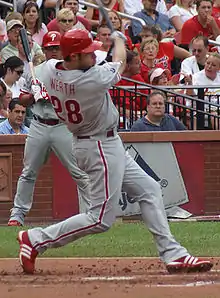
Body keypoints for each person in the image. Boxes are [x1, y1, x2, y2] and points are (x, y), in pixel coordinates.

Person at [17, 28, 213, 275]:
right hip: (97, 145)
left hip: (102, 142)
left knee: (149, 189)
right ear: (74, 58)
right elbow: (119, 61)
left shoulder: (49, 69)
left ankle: (174, 254)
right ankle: (35, 239)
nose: (91, 56)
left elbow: (45, 67)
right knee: (100, 219)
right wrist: (119, 38)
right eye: (86, 53)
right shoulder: (91, 79)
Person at [7, 31, 90, 227]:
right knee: (28, 171)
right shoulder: (36, 70)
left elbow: (77, 100)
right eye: (49, 48)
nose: (53, 51)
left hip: (62, 125)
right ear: (43, 50)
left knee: (79, 172)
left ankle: (91, 214)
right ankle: (17, 214)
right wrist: (34, 95)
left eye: (56, 48)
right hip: (38, 124)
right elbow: (24, 101)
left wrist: (52, 95)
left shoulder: (72, 71)